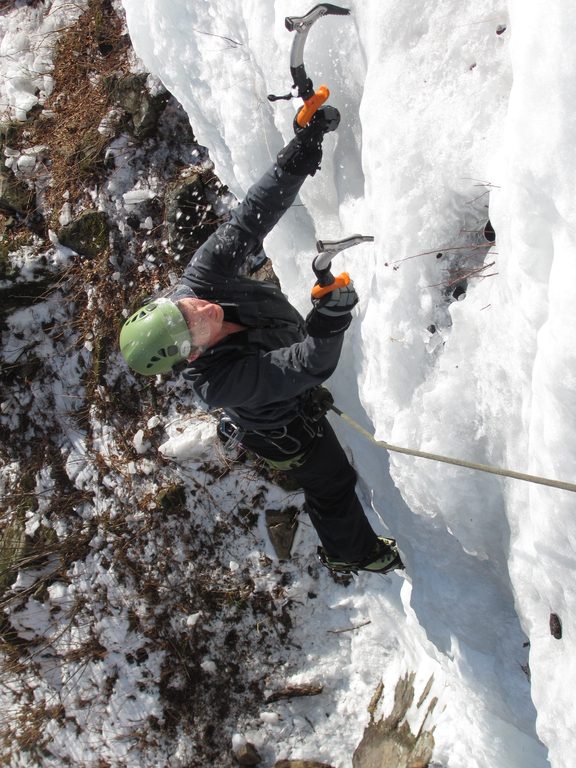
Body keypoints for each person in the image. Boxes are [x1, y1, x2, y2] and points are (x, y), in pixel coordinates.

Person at [119, 108, 401, 575]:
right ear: (190, 354)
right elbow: (305, 365)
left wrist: (297, 157)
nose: (200, 308)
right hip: (288, 432)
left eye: (181, 306)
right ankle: (353, 553)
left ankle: (345, 546)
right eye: (191, 324)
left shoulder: (199, 283)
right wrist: (330, 321)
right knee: (331, 481)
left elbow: (250, 218)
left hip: (288, 392)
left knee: (331, 476)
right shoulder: (219, 381)